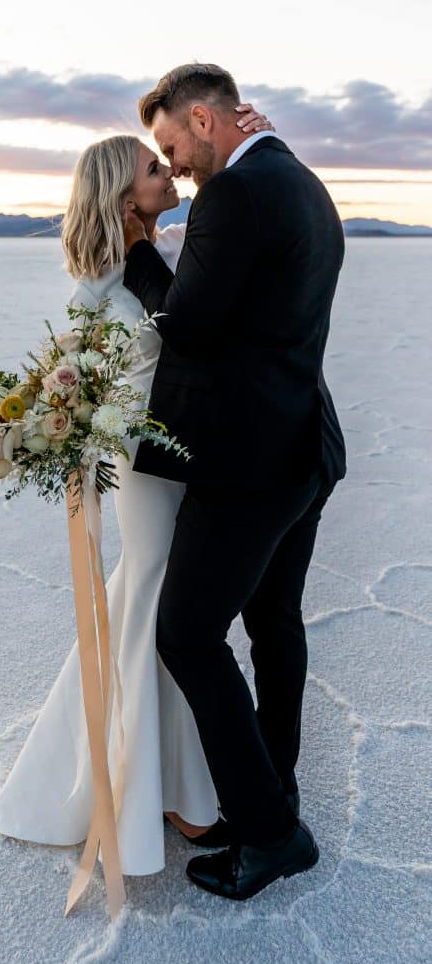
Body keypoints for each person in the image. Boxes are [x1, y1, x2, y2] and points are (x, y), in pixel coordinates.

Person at [0, 103, 275, 875]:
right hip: (148, 467)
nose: (168, 170)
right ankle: (171, 791)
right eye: (154, 168)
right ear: (125, 196)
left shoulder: (172, 246)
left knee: (168, 611)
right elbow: (94, 385)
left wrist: (248, 134)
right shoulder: (97, 288)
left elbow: (221, 270)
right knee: (161, 604)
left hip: (186, 462)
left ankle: (180, 779)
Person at [122, 62, 347, 900]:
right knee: (273, 620)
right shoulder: (301, 182)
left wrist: (141, 252)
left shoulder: (235, 196)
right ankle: (274, 782)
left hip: (247, 462)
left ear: (206, 123)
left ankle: (269, 830)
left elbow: (191, 329)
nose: (173, 163)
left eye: (172, 142)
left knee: (185, 635)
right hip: (302, 447)